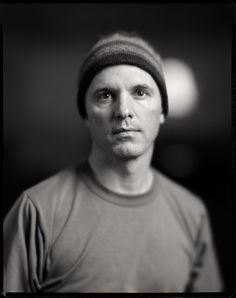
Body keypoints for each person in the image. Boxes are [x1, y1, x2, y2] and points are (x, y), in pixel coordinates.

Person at [4, 31, 223, 293]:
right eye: (106, 95)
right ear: (85, 114)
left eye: (140, 92)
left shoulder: (192, 213)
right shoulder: (37, 212)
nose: (123, 111)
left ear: (162, 111)